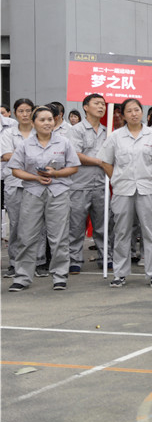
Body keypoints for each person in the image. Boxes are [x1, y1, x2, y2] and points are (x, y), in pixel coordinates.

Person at [8, 106, 80, 292]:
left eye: (50, 119)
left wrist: (55, 173)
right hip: (33, 192)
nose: (47, 123)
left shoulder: (64, 142)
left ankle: (59, 276)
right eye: (42, 120)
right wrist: (35, 178)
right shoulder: (25, 145)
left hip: (58, 192)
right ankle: (22, 277)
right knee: (27, 235)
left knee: (59, 237)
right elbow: (15, 169)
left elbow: (74, 167)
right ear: (33, 123)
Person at [98, 99, 152, 288]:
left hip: (148, 189)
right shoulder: (115, 137)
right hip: (122, 190)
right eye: (129, 111)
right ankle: (120, 273)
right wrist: (116, 179)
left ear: (142, 112)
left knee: (151, 232)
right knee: (121, 232)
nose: (134, 114)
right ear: (123, 115)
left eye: (137, 110)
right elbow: (105, 162)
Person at [66, 93, 108, 274]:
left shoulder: (107, 130)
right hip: (79, 184)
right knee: (76, 225)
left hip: (101, 184)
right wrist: (100, 162)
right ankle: (74, 259)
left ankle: (105, 257)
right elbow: (75, 155)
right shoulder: (76, 130)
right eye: (97, 103)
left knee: (103, 224)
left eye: (103, 104)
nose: (101, 107)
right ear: (85, 107)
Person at [1, 98, 35, 278]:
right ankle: (15, 263)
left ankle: (38, 262)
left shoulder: (39, 131)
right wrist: (34, 154)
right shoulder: (8, 133)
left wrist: (20, 154)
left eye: (28, 110)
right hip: (14, 183)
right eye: (21, 111)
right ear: (15, 113)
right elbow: (7, 155)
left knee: (37, 224)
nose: (25, 114)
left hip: (37, 182)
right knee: (15, 224)